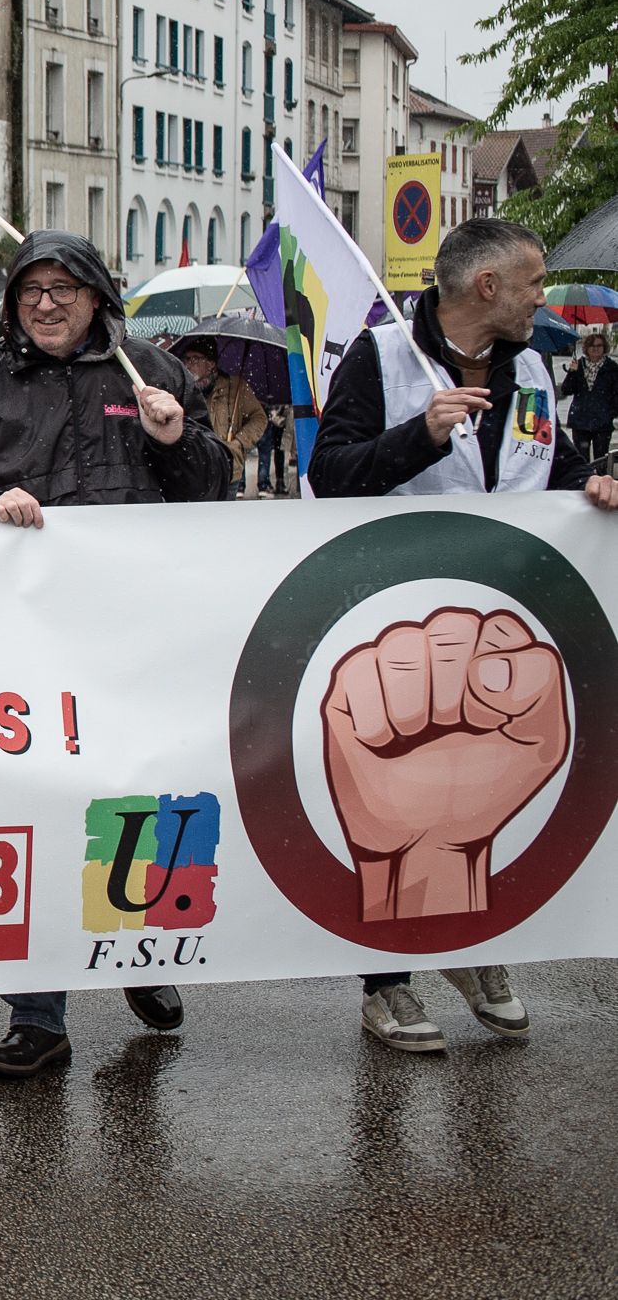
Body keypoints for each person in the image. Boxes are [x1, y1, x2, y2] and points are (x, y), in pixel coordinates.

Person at [0, 231, 231, 1077]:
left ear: (97, 295)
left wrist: (175, 438)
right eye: (29, 290)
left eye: (64, 287)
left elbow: (214, 492)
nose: (45, 304)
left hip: (135, 634)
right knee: (40, 812)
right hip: (24, 640)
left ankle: (143, 956)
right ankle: (37, 1016)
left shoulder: (151, 371)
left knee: (145, 798)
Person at [304, 218, 618, 1052]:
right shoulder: (382, 357)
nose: (542, 297)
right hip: (393, 614)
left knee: (481, 789)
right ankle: (387, 985)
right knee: (393, 793)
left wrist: (592, 483)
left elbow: (545, 466)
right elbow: (328, 474)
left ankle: (477, 947)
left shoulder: (535, 367)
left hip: (502, 611)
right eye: (534, 282)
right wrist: (423, 434)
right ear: (487, 288)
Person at [178, 338, 268, 496]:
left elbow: (259, 418)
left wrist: (239, 442)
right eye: (186, 359)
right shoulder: (184, 389)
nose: (189, 364)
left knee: (223, 518)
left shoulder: (236, 388)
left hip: (228, 469)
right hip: (193, 470)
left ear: (211, 363)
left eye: (195, 359)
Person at [563, 328, 613, 473]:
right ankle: (582, 485)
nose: (596, 349)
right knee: (581, 460)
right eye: (592, 346)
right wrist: (572, 372)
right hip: (580, 420)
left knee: (601, 459)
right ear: (586, 348)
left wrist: (610, 412)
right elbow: (567, 390)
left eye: (599, 346)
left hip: (602, 422)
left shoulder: (612, 368)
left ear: (604, 348)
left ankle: (601, 486)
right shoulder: (579, 365)